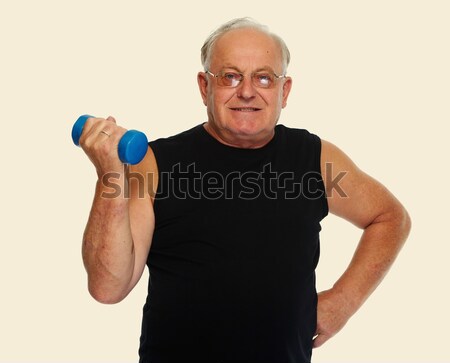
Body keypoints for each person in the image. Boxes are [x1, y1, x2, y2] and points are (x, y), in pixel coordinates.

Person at [78, 18, 411, 362]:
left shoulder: (316, 159)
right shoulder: (155, 163)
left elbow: (390, 217)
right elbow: (108, 287)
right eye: (230, 76)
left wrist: (343, 302)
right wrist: (109, 177)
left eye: (264, 78)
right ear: (205, 86)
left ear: (284, 91)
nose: (247, 91)